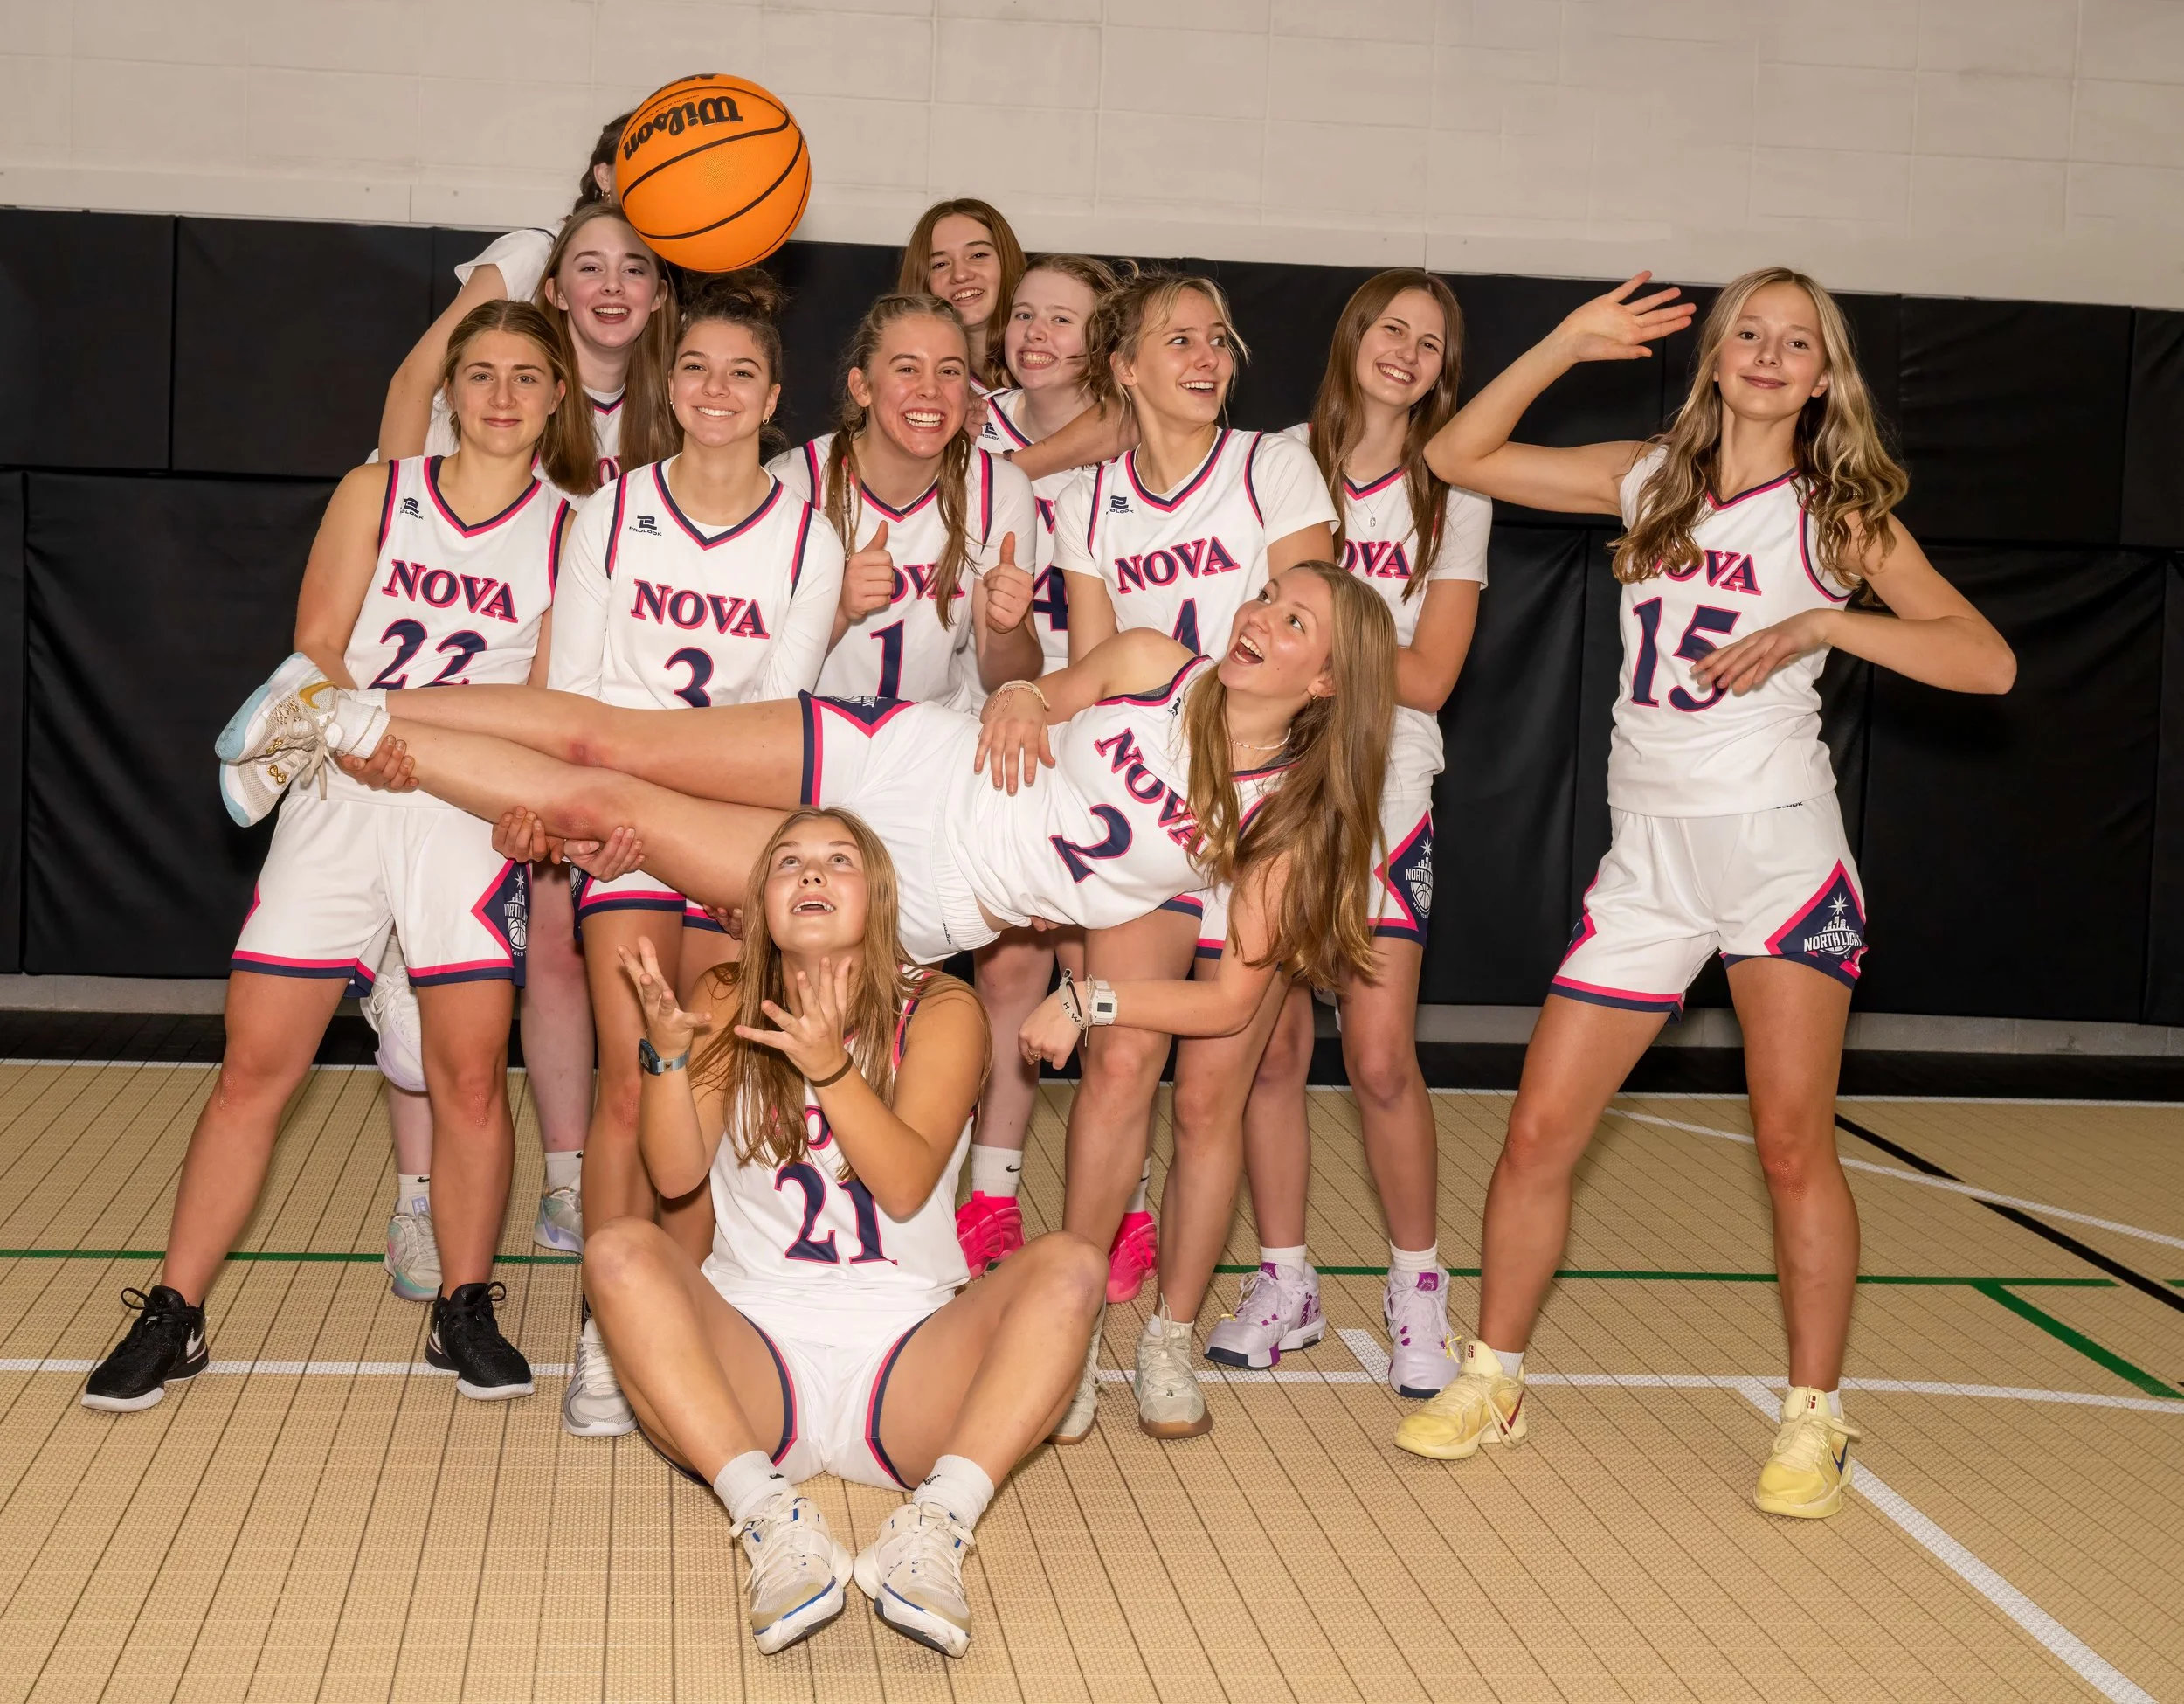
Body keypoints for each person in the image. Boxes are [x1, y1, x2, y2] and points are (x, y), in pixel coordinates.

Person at [220, 563, 1396, 1443]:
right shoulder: (1155, 659)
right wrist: (1032, 690)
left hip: (917, 893)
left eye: (1295, 622)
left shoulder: (1280, 832)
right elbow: (1039, 682)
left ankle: (354, 730)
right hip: (900, 762)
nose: (1258, 619)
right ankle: (338, 711)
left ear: (1329, 680)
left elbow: (1231, 1007)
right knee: (612, 740)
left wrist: (1093, 1005)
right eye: (1268, 597)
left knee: (598, 813)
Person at [1393, 268, 2015, 1518]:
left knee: (1792, 1144)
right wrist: (1570, 339)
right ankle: (1496, 1374)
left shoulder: (1839, 516)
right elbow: (1461, 452)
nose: (1772, 354)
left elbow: (1985, 660)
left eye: (1799, 341)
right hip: (1651, 860)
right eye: (1751, 333)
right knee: (1536, 1129)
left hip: (1777, 853)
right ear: (1717, 358)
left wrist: (1829, 630)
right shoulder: (1646, 475)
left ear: (1824, 374)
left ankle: (1813, 1416)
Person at [81, 301, 588, 1411]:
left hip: (459, 811)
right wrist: (357, 731)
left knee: (465, 1076)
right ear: (450, 390)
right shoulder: (381, 491)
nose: (501, 397)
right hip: (339, 790)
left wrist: (458, 765)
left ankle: (464, 1305)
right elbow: (318, 640)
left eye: (525, 378)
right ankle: (175, 1310)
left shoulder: (572, 530)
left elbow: (546, 702)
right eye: (481, 375)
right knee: (255, 1068)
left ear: (559, 399)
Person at [584, 808, 1105, 1658]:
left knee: (1072, 1267)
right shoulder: (724, 994)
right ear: (760, 901)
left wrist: (828, 1063)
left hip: (905, 1358)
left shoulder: (941, 1006)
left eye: (838, 861)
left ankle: (934, 1527)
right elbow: (676, 1177)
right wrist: (666, 1058)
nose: (812, 874)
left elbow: (902, 1183)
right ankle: (768, 1520)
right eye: (789, 862)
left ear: (881, 897)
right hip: (753, 1353)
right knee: (615, 1249)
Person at [549, 273, 847, 1439]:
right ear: (666, 387)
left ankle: (690, 1311)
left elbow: (773, 720)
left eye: (741, 373)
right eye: (695, 369)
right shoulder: (611, 511)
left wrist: (670, 800)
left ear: (773, 396)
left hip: (724, 827)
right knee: (636, 1082)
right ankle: (604, 1330)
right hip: (620, 819)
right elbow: (573, 683)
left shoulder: (808, 536)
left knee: (712, 1092)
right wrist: (599, 803)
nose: (716, 390)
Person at [1047, 270, 1338, 1435]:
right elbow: (1091, 679)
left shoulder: (1274, 465)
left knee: (1214, 1090)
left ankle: (1168, 1332)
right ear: (1123, 365)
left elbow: (1331, 642)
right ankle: (1064, 1334)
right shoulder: (1087, 500)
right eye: (1178, 338)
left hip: (1269, 810)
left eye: (1218, 335)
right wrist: (1078, 857)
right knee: (1119, 1063)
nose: (1206, 354)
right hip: (1149, 808)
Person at [375, 185, 678, 1289]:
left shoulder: (662, 424)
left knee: (555, 952)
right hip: (432, 731)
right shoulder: (487, 398)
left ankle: (562, 1172)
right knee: (423, 983)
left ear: (660, 298)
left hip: (568, 724)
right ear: (552, 292)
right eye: (590, 266)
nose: (612, 285)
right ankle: (416, 1200)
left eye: (637, 268)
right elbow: (408, 400)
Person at [1202, 270, 1488, 1401]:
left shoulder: (1454, 489)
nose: (1407, 350)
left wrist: (1333, 656)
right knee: (1266, 1049)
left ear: (1444, 370)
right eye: (1391, 326)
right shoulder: (1273, 459)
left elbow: (1431, 674)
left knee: (1376, 1057)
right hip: (1267, 776)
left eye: (1431, 340)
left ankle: (1419, 1287)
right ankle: (1286, 1280)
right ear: (1352, 334)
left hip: (1385, 788)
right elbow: (1260, 635)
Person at [958, 253, 1121, 1276]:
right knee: (1010, 964)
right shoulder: (975, 419)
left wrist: (1022, 465)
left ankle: (1121, 1202)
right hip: (1005, 707)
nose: (1037, 333)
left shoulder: (1131, 418)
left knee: (1105, 971)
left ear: (1105, 339)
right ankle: (990, 1195)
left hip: (1109, 715)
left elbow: (1116, 427)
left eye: (1065, 319)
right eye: (1024, 314)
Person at [771, 293, 1040, 706]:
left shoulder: (999, 487)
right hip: (813, 736)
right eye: (907, 369)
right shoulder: (794, 482)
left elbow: (1007, 675)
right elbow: (762, 670)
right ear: (862, 387)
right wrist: (840, 610)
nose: (930, 389)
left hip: (935, 737)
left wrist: (1007, 626)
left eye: (949, 371)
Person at [896, 198, 1026, 391]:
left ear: (1006, 261)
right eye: (940, 264)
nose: (960, 275)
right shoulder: (912, 384)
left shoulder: (1056, 358)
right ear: (923, 281)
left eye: (978, 255)